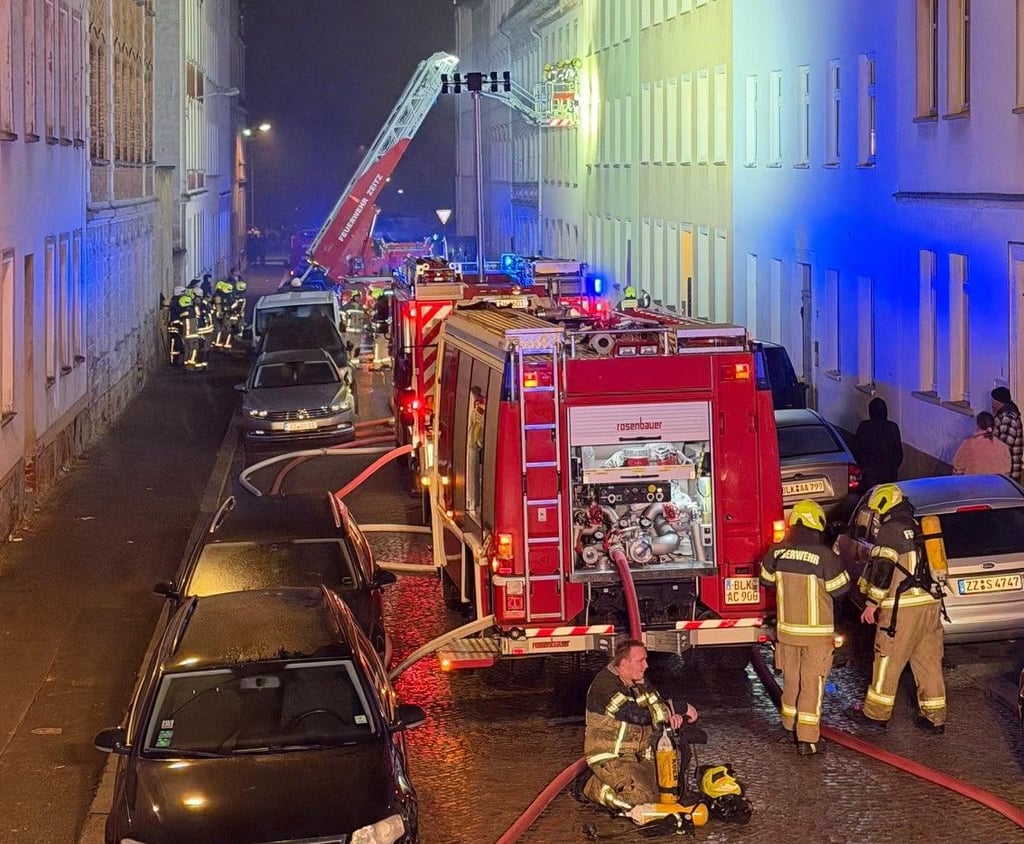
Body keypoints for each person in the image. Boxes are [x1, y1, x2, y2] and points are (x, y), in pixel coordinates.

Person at [851, 484, 946, 734]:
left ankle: (876, 715)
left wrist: (872, 603)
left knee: (887, 659)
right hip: (930, 605)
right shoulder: (920, 528)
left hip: (901, 610)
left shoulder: (890, 531)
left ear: (883, 506)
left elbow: (882, 570)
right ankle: (934, 718)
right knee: (928, 662)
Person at [760, 500, 849, 755]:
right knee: (812, 683)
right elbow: (841, 590)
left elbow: (765, 581)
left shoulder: (776, 552)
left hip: (787, 632)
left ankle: (789, 725)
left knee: (791, 679)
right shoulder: (826, 557)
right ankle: (808, 740)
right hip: (817, 635)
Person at [582, 639, 699, 813]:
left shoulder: (639, 681)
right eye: (640, 661)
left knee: (668, 792)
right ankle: (591, 786)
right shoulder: (605, 686)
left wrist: (672, 717)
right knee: (642, 801)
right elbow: (636, 715)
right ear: (623, 662)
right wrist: (679, 707)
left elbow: (656, 704)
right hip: (611, 757)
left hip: (640, 756)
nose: (646, 665)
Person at [853, 397, 903, 491]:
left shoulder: (864, 427)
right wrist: (892, 467)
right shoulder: (892, 427)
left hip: (869, 474)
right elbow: (898, 453)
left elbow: (857, 450)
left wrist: (864, 467)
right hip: (888, 474)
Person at [991, 387, 1023, 482]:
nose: (992, 404)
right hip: (1006, 470)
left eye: (993, 401)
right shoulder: (1005, 415)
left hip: (1008, 472)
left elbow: (1005, 446)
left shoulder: (1007, 417)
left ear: (998, 402)